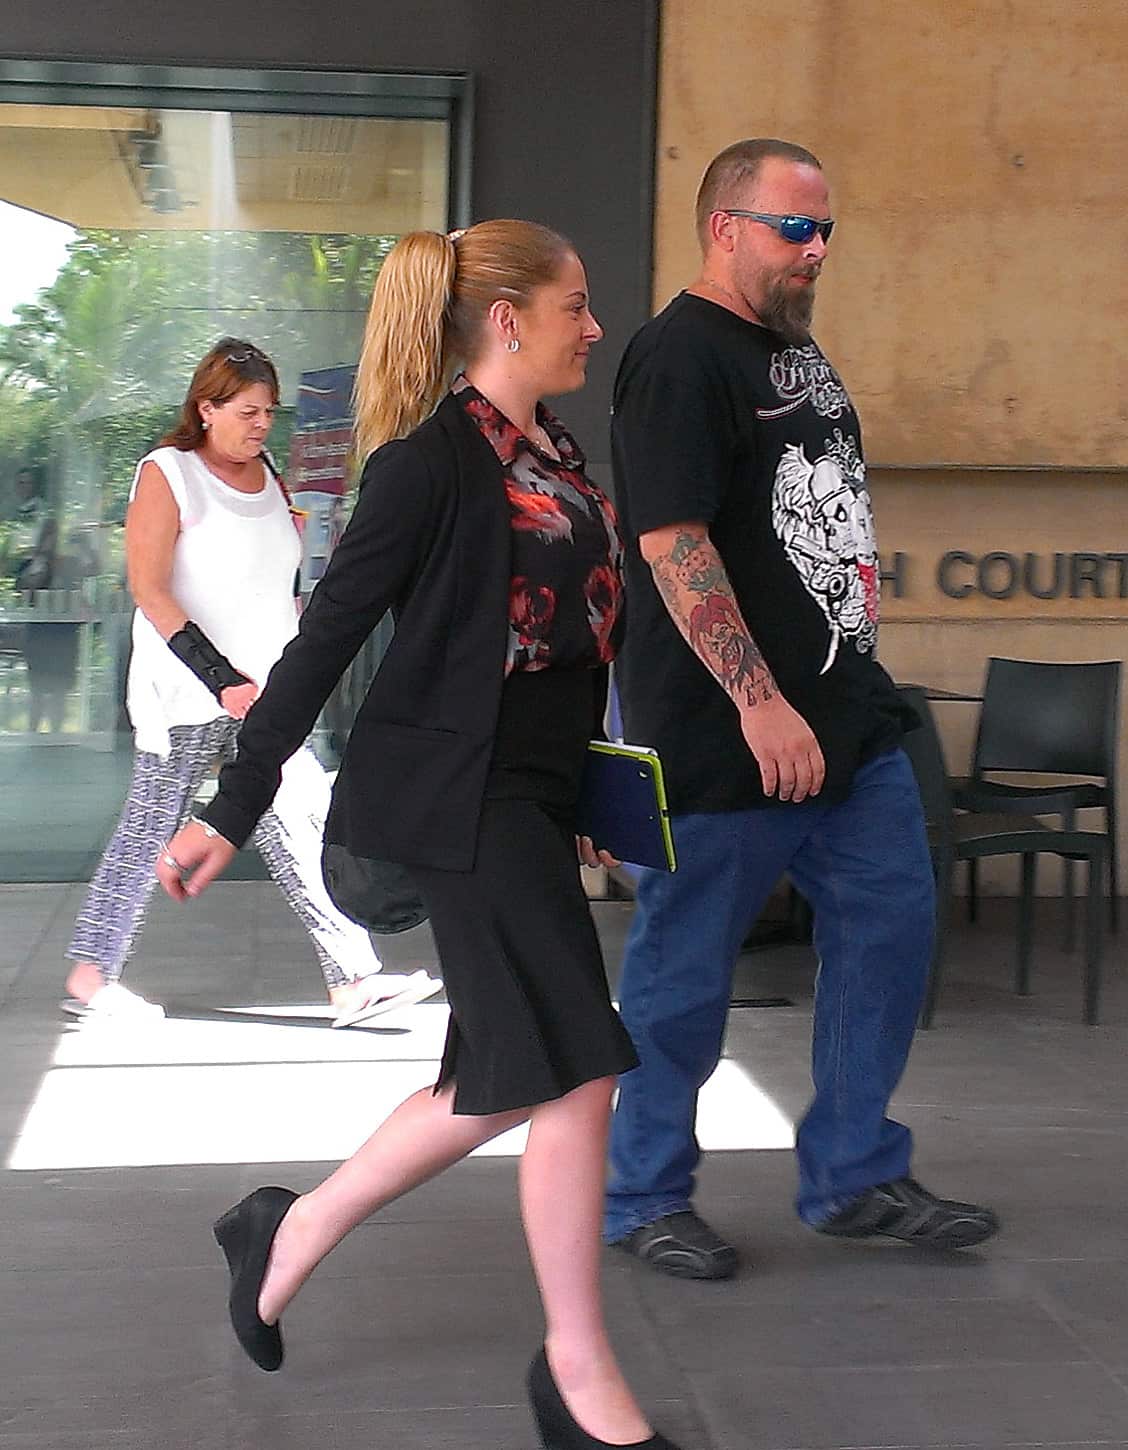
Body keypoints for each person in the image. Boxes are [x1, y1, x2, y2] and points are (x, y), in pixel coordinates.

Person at [159, 223, 680, 1450]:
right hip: (463, 801)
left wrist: (594, 801)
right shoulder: (428, 466)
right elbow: (324, 642)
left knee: (493, 1080)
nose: (592, 328)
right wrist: (233, 810)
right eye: (575, 305)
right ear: (506, 319)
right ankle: (576, 1365)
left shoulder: (557, 450)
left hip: (536, 798)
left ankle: (281, 1236)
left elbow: (570, 645)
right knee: (580, 1065)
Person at [602, 138, 1000, 1279]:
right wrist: (760, 699)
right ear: (726, 227)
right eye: (795, 229)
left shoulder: (794, 351)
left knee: (890, 928)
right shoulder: (677, 357)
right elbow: (672, 542)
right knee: (682, 974)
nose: (816, 249)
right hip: (730, 733)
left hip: (849, 724)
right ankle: (644, 1197)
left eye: (826, 230)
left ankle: (855, 1174)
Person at [63, 338, 437, 1027]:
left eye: (268, 411)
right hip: (186, 690)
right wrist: (219, 676)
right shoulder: (167, 473)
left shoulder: (269, 475)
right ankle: (92, 974)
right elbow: (149, 589)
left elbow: (273, 586)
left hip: (267, 693)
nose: (262, 423)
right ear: (206, 408)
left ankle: (353, 977)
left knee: (302, 818)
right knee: (151, 827)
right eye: (246, 410)